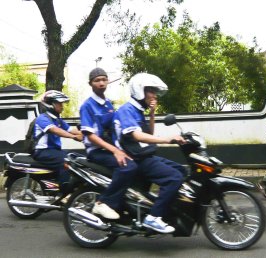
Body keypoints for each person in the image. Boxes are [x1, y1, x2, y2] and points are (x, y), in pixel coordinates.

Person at [113, 72, 187, 234]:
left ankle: (163, 207)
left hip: (146, 155)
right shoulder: (126, 110)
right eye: (151, 90)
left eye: (154, 91)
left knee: (182, 170)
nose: (154, 95)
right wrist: (168, 140)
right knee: (173, 178)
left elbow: (149, 135)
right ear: (140, 91)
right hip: (137, 160)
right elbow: (137, 136)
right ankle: (153, 217)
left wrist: (152, 114)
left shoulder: (138, 111)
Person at [80, 67, 137, 220]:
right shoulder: (87, 106)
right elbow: (90, 135)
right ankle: (102, 202)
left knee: (139, 163)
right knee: (128, 166)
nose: (101, 83)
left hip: (111, 149)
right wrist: (116, 151)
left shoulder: (108, 104)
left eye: (104, 79)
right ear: (90, 83)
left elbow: (115, 129)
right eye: (97, 80)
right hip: (97, 151)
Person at [32, 90, 83, 194]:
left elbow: (71, 129)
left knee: (78, 158)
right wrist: (73, 137)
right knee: (67, 162)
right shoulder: (42, 118)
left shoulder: (57, 119)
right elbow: (56, 130)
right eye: (59, 103)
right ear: (50, 104)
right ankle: (64, 194)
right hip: (42, 152)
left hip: (54, 151)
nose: (62, 106)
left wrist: (88, 134)